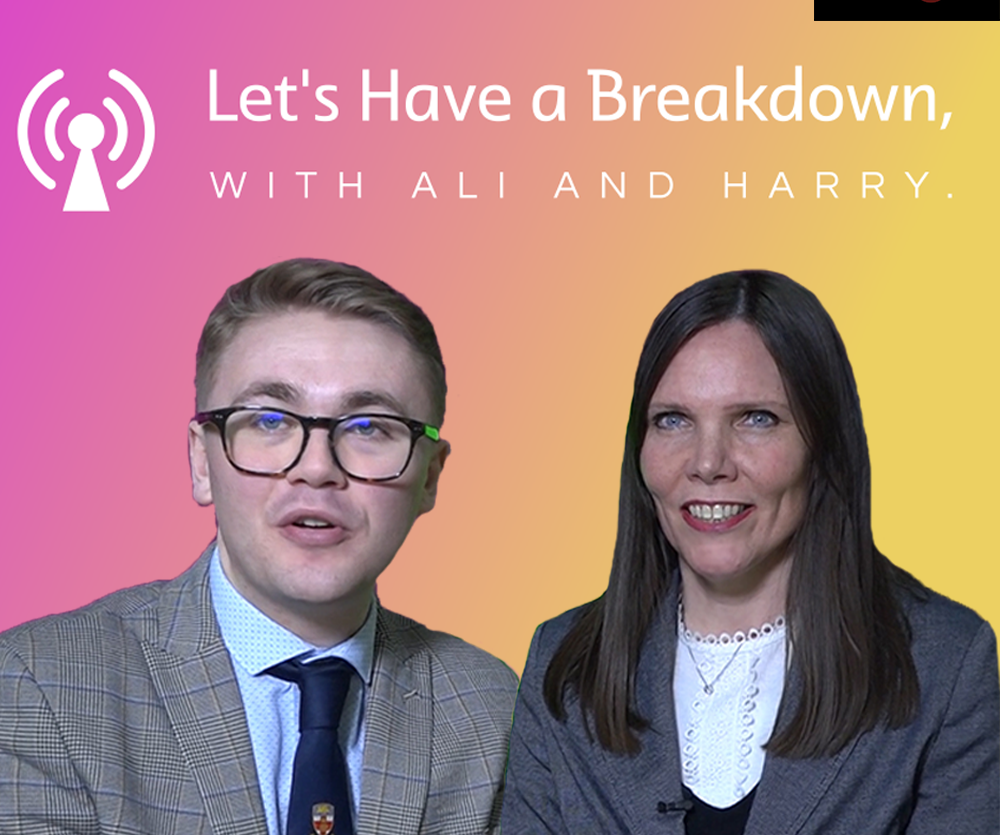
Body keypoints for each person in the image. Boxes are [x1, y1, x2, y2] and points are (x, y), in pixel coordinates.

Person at [0, 258, 517, 835]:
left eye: (370, 427)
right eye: (270, 420)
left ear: (429, 478)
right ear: (202, 460)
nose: (317, 469)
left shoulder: (489, 706)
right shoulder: (41, 685)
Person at [502, 270, 1000, 835]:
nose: (708, 462)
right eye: (673, 420)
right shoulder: (563, 662)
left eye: (756, 419)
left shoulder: (944, 664)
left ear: (825, 445)